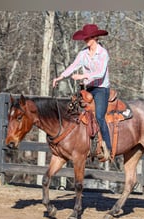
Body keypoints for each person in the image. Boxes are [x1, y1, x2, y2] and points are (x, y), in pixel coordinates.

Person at [52, 23, 112, 161]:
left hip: (101, 88)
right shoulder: (83, 54)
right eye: (85, 38)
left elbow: (100, 73)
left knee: (99, 116)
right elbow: (73, 66)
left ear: (95, 38)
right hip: (88, 88)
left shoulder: (103, 54)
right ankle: (80, 144)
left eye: (89, 38)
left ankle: (108, 147)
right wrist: (60, 77)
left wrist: (83, 76)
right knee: (73, 112)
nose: (86, 40)